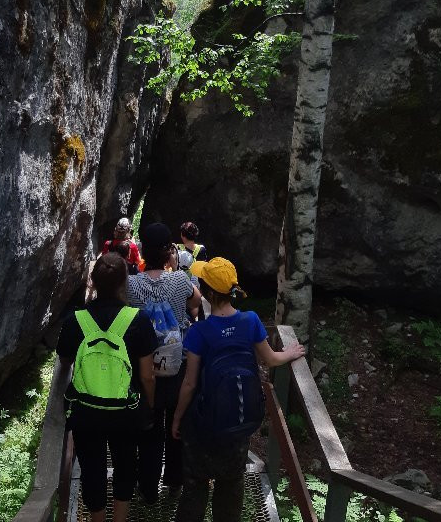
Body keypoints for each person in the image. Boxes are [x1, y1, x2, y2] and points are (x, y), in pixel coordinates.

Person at [172, 257, 305, 522]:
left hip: (202, 423)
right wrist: (288, 352)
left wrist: (176, 418)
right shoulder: (251, 321)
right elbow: (270, 359)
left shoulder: (200, 331)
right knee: (231, 484)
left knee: (196, 483)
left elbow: (189, 382)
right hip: (237, 418)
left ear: (208, 292)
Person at [56, 254, 157, 522]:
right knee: (125, 465)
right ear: (125, 281)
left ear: (93, 282)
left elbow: (65, 360)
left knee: (91, 469)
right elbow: (147, 376)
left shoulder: (75, 321)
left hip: (86, 410)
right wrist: (149, 406)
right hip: (125, 410)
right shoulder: (138, 320)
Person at [128, 223, 201, 503]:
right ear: (168, 251)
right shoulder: (180, 280)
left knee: (148, 427)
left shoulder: (131, 284)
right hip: (177, 364)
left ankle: (147, 487)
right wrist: (176, 267)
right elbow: (197, 300)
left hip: (144, 366)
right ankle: (174, 482)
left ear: (143, 249)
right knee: (176, 423)